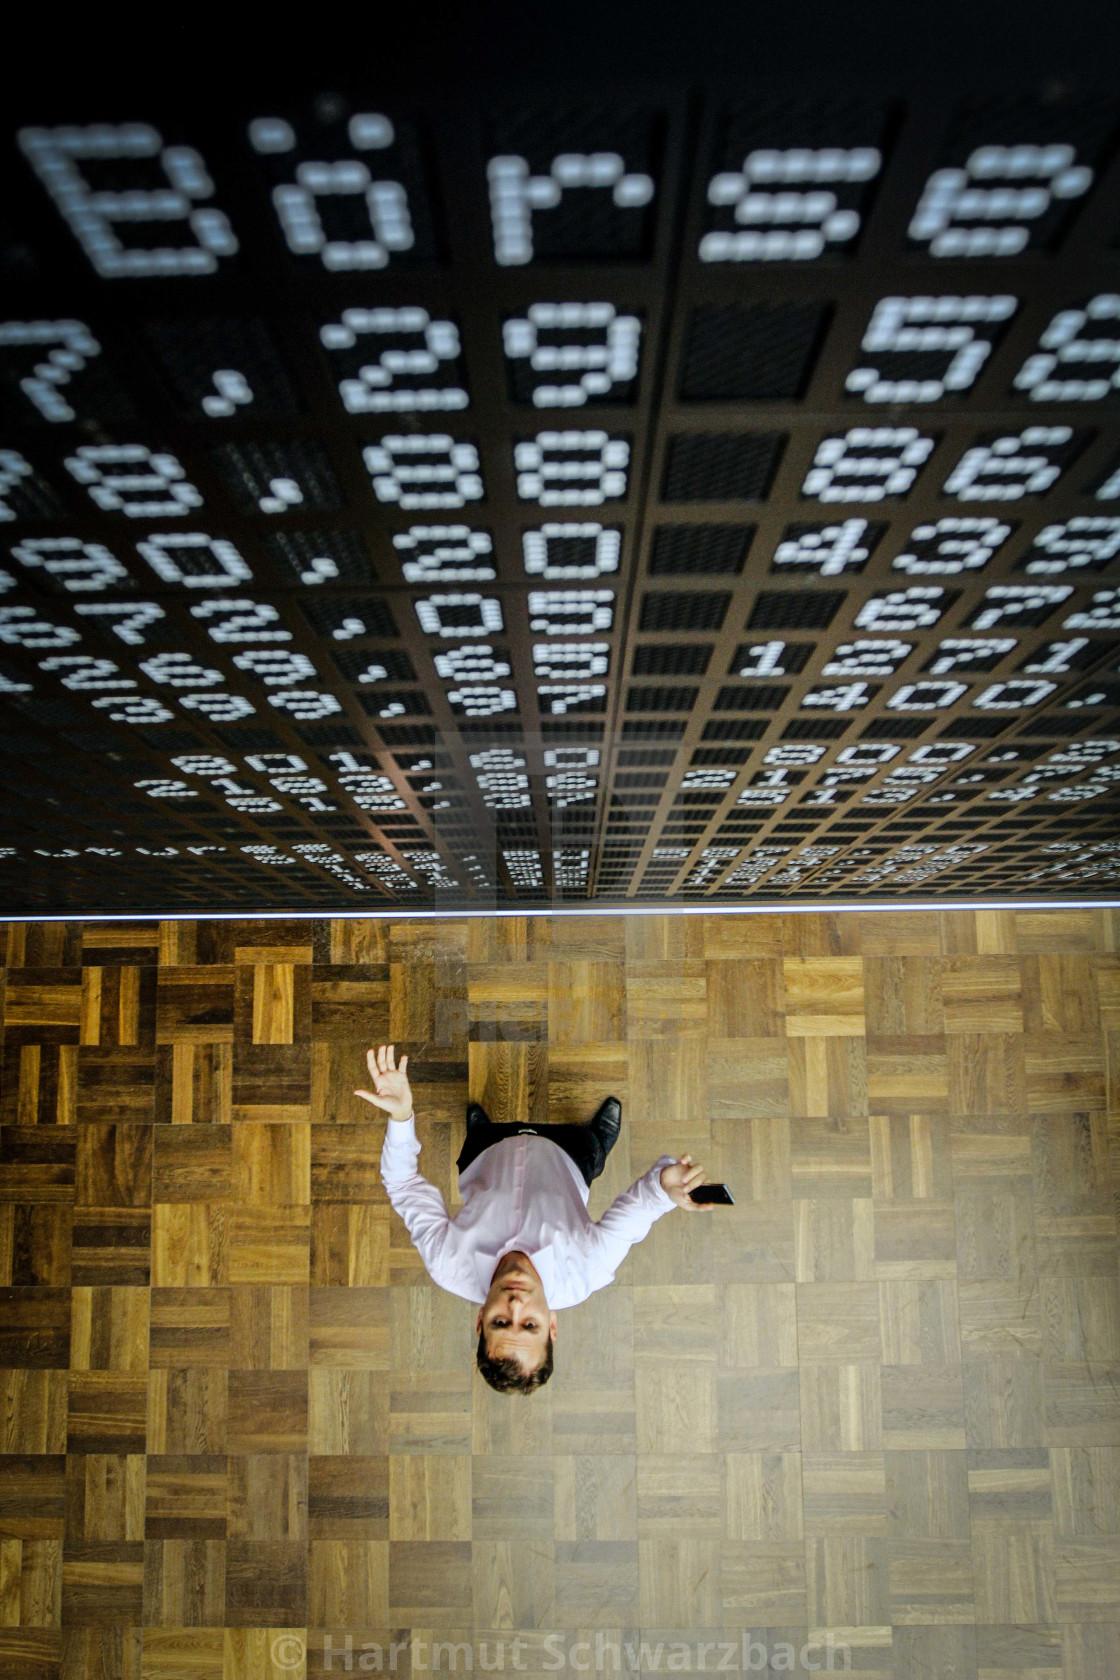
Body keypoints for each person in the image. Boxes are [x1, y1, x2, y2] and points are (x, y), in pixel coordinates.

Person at [356, 1043, 713, 1394]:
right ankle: (598, 1142)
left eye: (500, 1322)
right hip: (568, 1156)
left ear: (480, 1322)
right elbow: (640, 1209)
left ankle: (482, 1128)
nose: (514, 1305)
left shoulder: (447, 1263)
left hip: (487, 1153)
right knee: (589, 1147)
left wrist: (401, 1118)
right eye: (530, 1324)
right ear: (552, 1326)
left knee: (480, 1132)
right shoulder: (587, 1270)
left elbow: (403, 1185)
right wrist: (665, 1187)